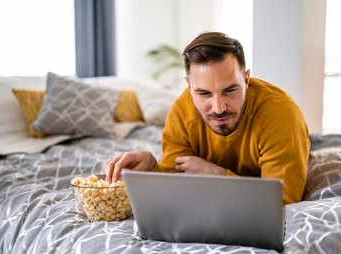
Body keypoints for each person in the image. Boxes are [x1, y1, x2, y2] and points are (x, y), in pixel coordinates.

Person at [104, 31, 310, 205]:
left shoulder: (281, 115)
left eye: (230, 90)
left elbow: (281, 202)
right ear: (189, 86)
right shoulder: (181, 111)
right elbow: (176, 182)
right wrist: (151, 165)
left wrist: (219, 176)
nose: (219, 108)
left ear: (246, 80)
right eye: (204, 94)